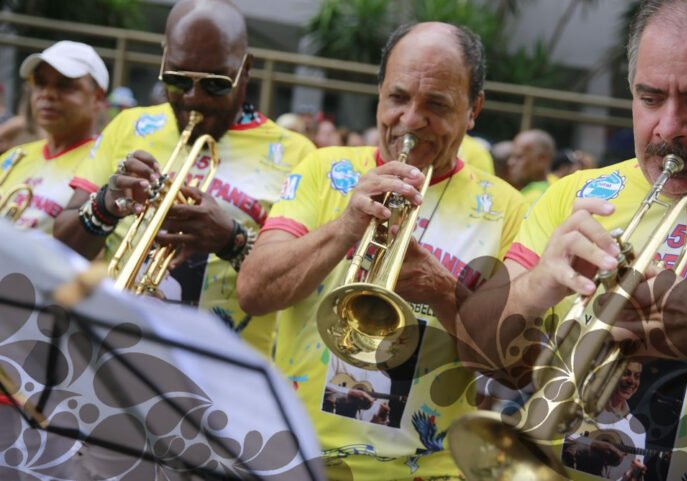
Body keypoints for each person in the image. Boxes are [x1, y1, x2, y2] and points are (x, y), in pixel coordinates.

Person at [460, 1, 687, 480]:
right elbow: (472, 352)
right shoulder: (576, 194)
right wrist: (538, 283)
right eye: (649, 98)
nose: (668, 128)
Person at [237, 22, 527, 480]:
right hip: (296, 456)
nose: (411, 121)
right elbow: (254, 291)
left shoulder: (509, 208)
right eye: (398, 98)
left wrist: (443, 291)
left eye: (436, 105)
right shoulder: (323, 168)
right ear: (379, 95)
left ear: (474, 110)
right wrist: (346, 226)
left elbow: (510, 371)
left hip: (427, 470)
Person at [52, 0, 315, 356]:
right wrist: (104, 206)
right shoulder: (129, 126)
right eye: (177, 80)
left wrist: (231, 240)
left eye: (215, 85)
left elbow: (300, 286)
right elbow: (60, 249)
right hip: (113, 357)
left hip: (223, 380)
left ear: (246, 69)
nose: (193, 100)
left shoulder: (298, 155)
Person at [0, 40, 107, 234]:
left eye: (65, 86)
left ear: (97, 98)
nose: (48, 94)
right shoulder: (14, 157)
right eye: (40, 83)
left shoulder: (106, 163)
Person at [563, 361, 649, 481]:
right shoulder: (583, 407)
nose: (632, 381)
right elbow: (559, 440)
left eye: (637, 376)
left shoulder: (637, 429)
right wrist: (592, 446)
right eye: (626, 373)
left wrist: (631, 477)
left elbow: (630, 475)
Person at [507, 128, 555, 205]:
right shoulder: (556, 185)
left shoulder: (533, 199)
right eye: (511, 156)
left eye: (519, 157)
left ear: (542, 159)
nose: (510, 162)